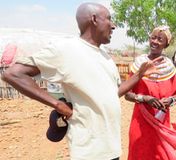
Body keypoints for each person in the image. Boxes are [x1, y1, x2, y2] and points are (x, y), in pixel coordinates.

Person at [1, 3, 163, 160]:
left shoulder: (106, 57)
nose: (113, 26)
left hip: (111, 148)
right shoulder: (66, 49)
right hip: (88, 150)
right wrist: (58, 104)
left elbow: (114, 94)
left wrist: (139, 75)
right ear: (94, 19)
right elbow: (13, 74)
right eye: (109, 19)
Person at [124, 26, 176, 160]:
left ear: (166, 44)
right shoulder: (139, 64)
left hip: (162, 122)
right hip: (140, 121)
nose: (155, 41)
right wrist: (144, 98)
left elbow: (175, 96)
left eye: (160, 39)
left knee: (160, 155)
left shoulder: (169, 68)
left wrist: (169, 101)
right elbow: (127, 94)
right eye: (153, 37)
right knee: (139, 153)